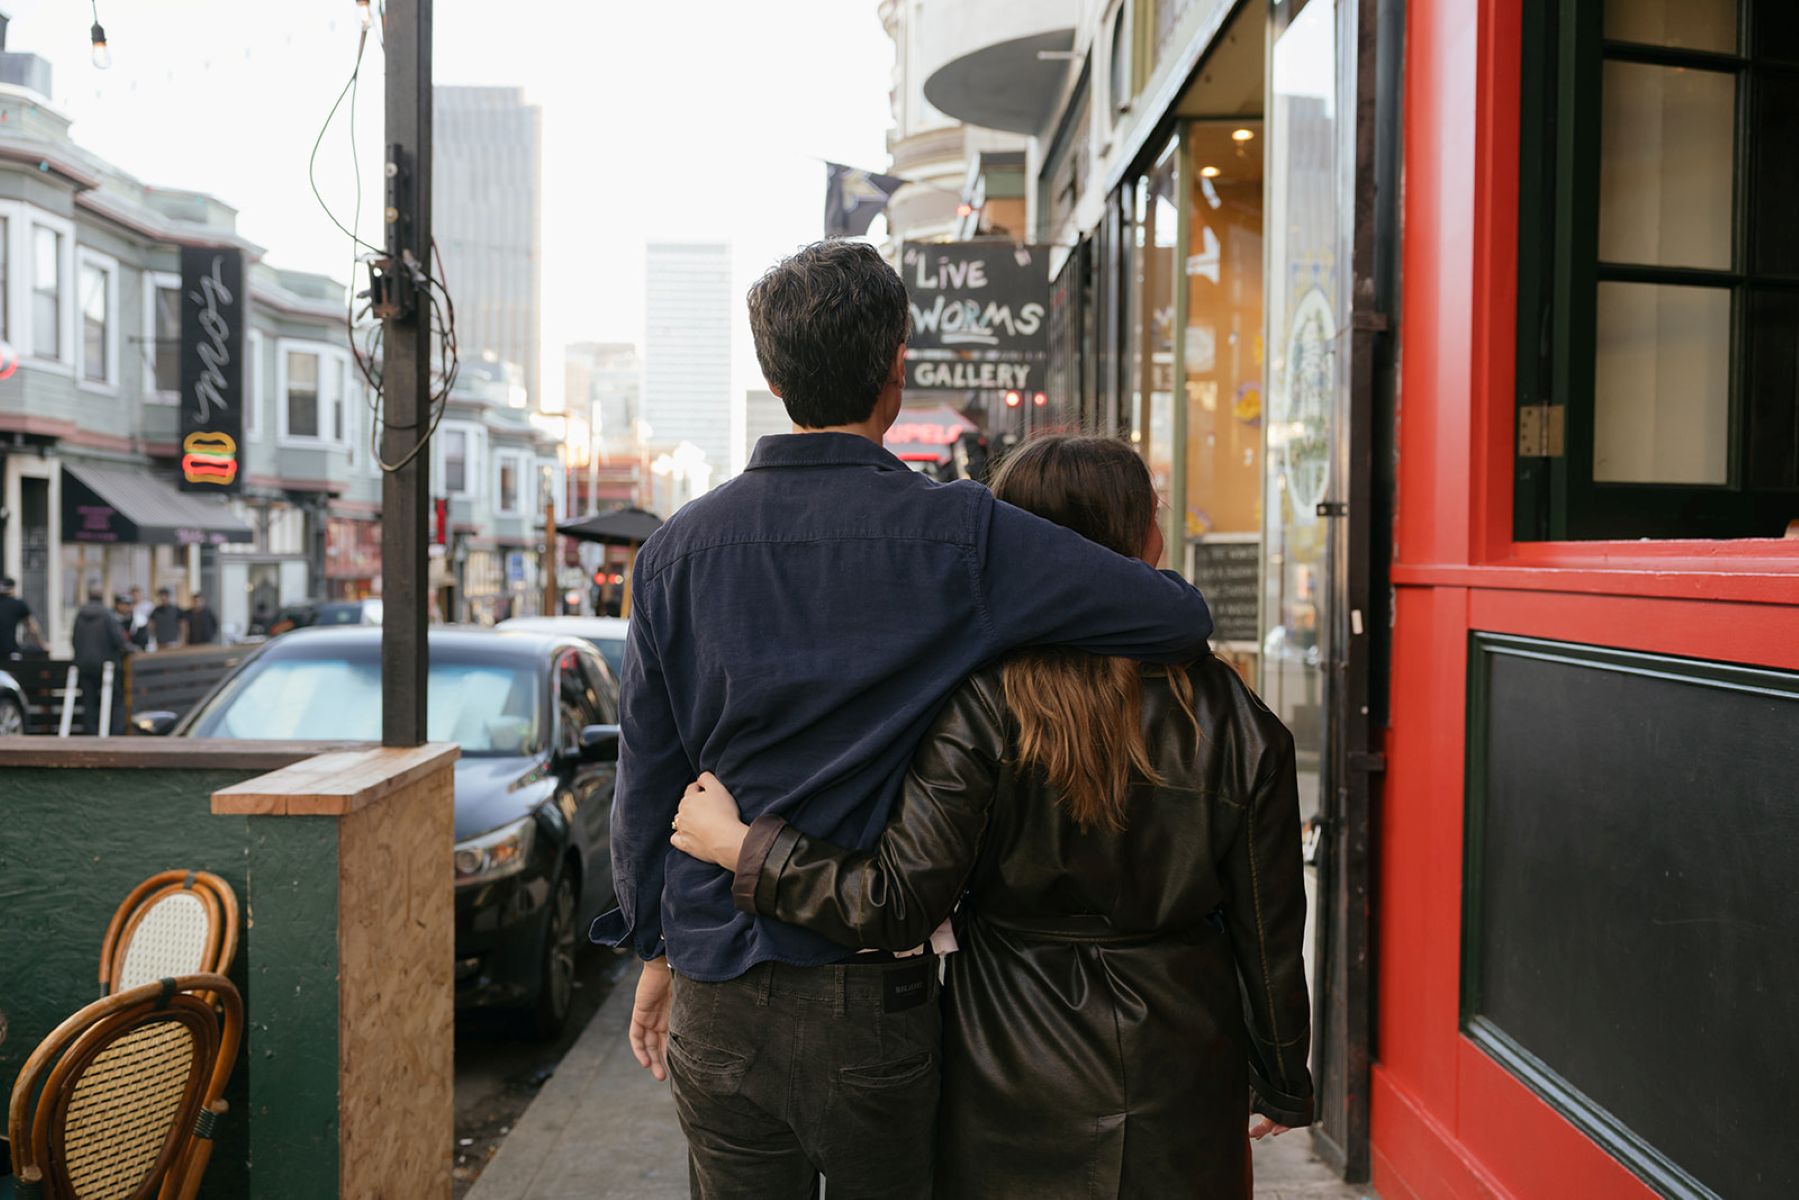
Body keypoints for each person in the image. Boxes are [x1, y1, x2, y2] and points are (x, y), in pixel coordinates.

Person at [593, 240, 1214, 1199]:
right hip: (870, 996)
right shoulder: (960, 537)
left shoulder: (675, 553)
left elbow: (648, 780)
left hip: (716, 982)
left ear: (771, 374)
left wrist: (654, 951)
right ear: (897, 364)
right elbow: (1174, 614)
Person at [671, 434, 1315, 1199]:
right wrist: (1281, 1076)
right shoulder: (1234, 717)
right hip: (1183, 1062)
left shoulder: (984, 706)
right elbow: (1269, 927)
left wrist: (746, 849)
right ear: (1135, 535)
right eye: (1155, 511)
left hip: (1006, 1061)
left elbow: (894, 901)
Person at [72, 586, 132, 735]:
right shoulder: (107, 615)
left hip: (84, 666)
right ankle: (115, 734)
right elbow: (118, 640)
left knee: (89, 703)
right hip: (107, 666)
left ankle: (91, 734)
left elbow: (74, 640)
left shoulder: (80, 614)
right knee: (116, 701)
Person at [0, 577, 43, 659]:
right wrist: (42, 645)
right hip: (9, 652)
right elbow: (32, 628)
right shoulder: (18, 604)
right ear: (13, 589)